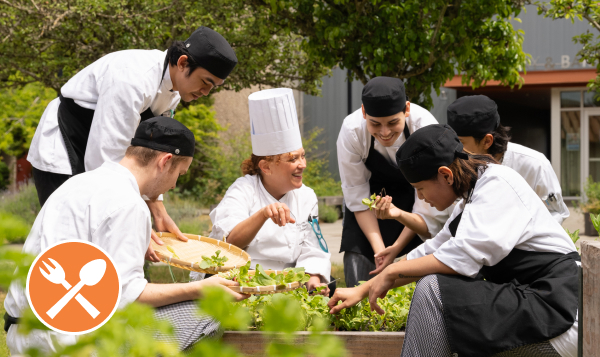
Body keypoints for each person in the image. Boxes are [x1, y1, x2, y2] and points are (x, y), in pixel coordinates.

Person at [329, 124, 579, 357]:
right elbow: (433, 250)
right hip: (529, 303)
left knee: (432, 290)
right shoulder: (470, 199)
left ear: (446, 175)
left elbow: (461, 256)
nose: (421, 198)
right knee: (433, 288)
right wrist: (362, 289)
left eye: (421, 188)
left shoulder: (498, 184)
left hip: (555, 311)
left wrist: (393, 269)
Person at [4, 117, 247, 355]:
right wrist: (200, 288)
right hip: (69, 340)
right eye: (179, 175)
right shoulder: (129, 204)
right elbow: (125, 297)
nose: (174, 185)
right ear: (165, 161)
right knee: (210, 315)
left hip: (23, 331)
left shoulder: (79, 183)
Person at [27, 26, 238, 260]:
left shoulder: (173, 92)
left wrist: (155, 203)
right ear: (182, 63)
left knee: (108, 245)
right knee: (70, 242)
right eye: (205, 82)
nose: (206, 92)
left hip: (103, 154)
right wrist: (134, 220)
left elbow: (147, 153)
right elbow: (106, 154)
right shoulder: (132, 77)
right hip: (66, 148)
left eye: (213, 87)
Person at [371, 95, 570, 274]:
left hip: (537, 268)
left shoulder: (523, 168)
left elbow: (554, 215)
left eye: (460, 143)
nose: (453, 150)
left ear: (487, 141)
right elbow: (438, 235)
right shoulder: (462, 189)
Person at [191, 88, 331, 294]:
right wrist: (264, 214)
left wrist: (314, 278)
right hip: (239, 284)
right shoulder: (243, 189)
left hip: (287, 286)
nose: (303, 164)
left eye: (303, 156)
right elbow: (229, 243)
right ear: (266, 167)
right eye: (293, 159)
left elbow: (312, 246)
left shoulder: (307, 196)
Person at [336, 76, 439, 287]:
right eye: (375, 124)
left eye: (393, 122)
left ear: (407, 109)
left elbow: (427, 201)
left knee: (416, 279)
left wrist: (398, 248)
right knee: (359, 268)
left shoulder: (425, 128)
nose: (384, 132)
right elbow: (357, 196)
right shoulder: (352, 131)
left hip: (415, 201)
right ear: (364, 113)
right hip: (369, 205)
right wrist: (380, 251)